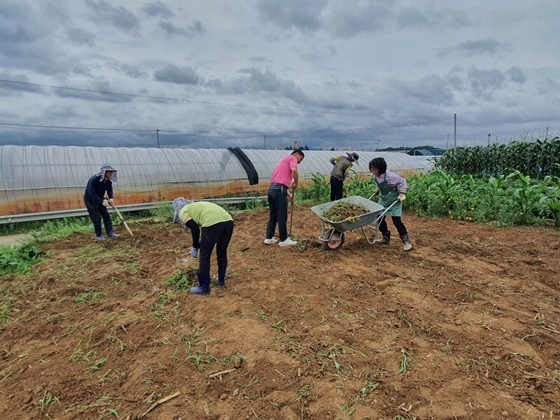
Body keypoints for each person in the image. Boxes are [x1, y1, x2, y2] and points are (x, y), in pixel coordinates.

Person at [173, 198, 234, 294]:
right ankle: (221, 281)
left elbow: (195, 229)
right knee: (222, 252)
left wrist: (195, 247)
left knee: (204, 256)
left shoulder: (182, 211)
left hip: (212, 222)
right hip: (228, 221)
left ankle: (204, 287)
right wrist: (198, 244)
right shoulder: (196, 206)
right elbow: (208, 237)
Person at [368, 157, 412, 251]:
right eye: (372, 168)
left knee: (396, 221)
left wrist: (402, 193)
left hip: (394, 199)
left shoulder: (390, 176)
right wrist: (378, 190)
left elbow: (402, 181)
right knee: (379, 218)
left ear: (380, 168)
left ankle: (406, 242)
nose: (372, 170)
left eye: (374, 168)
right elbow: (380, 184)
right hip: (383, 199)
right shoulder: (375, 175)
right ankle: (386, 236)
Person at [264, 149, 305, 247]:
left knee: (273, 215)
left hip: (272, 190)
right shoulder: (292, 158)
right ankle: (284, 239)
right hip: (279, 190)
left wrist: (289, 194)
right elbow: (294, 170)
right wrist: (296, 183)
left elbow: (279, 183)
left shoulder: (282, 161)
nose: (299, 162)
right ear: (296, 154)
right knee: (282, 215)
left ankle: (269, 238)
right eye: (300, 159)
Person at [84, 164, 120, 241]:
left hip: (100, 198)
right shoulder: (94, 179)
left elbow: (109, 190)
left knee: (106, 215)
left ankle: (110, 233)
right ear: (104, 172)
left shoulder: (108, 181)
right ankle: (99, 235)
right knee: (96, 217)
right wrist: (102, 201)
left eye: (111, 171)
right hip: (90, 200)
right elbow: (91, 193)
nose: (110, 173)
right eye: (109, 171)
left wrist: (111, 198)